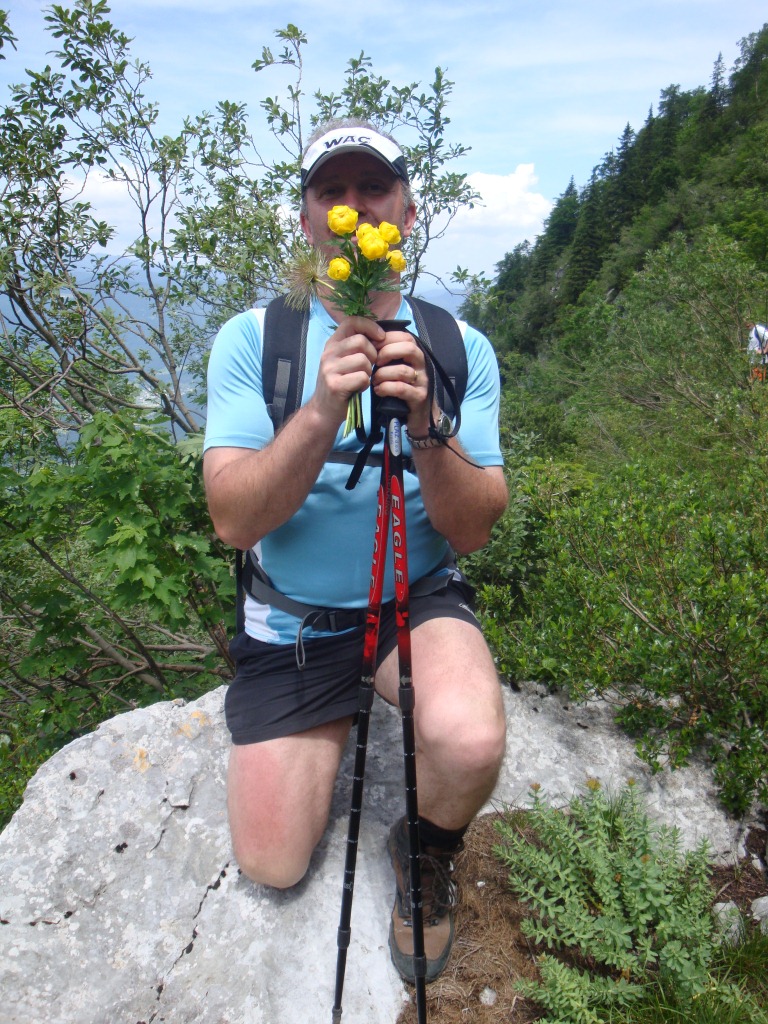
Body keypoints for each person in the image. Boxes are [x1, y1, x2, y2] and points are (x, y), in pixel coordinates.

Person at [202, 118, 508, 984]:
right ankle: (327, 714)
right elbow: (234, 520)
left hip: (414, 600)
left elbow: (474, 527)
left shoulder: (457, 347)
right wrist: (319, 411)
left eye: (372, 189)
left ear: (406, 213)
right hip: (295, 622)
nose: (353, 207)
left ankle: (425, 849)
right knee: (272, 861)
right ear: (306, 221)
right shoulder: (254, 340)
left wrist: (428, 423)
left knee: (469, 740)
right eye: (330, 192)